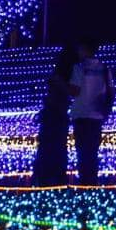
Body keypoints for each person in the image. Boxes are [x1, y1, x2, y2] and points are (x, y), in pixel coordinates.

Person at [67, 39, 113, 186]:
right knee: (92, 151)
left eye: (81, 49)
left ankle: (84, 182)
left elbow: (75, 91)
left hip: (81, 114)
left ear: (86, 50)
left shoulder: (79, 68)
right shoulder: (104, 68)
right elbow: (111, 91)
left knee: (82, 151)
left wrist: (61, 85)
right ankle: (92, 182)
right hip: (97, 115)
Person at [32, 46, 75, 186]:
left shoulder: (58, 78)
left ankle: (46, 179)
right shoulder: (64, 79)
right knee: (55, 150)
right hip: (57, 118)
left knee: (49, 150)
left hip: (53, 118)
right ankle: (53, 179)